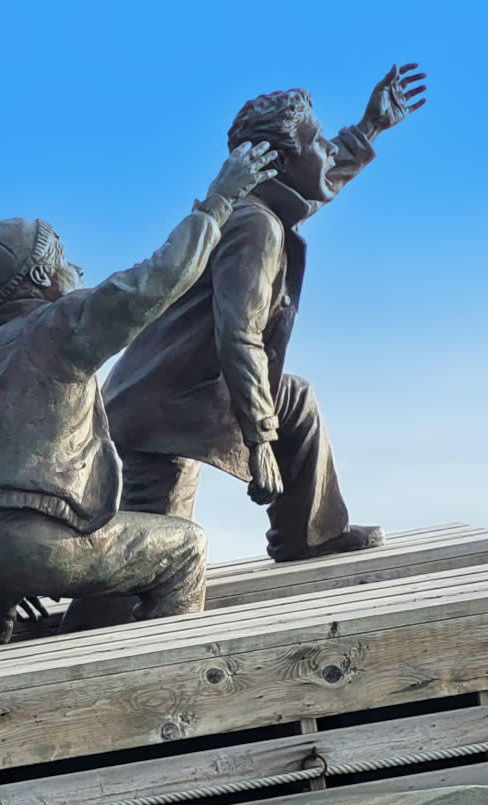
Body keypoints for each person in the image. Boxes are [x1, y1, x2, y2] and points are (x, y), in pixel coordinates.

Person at [62, 65, 428, 633]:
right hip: (163, 416)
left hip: (179, 397)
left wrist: (368, 129)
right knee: (140, 567)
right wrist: (259, 440)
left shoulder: (261, 206)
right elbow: (239, 334)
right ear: (280, 163)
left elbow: (315, 180)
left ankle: (309, 534)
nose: (326, 150)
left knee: (294, 401)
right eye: (316, 140)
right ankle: (80, 641)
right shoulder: (254, 227)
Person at [0, 139, 280, 652]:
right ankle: (170, 682)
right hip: (34, 543)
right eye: (65, 260)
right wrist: (217, 202)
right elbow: (153, 282)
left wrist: (1, 562)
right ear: (40, 277)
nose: (77, 270)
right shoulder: (57, 326)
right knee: (185, 549)